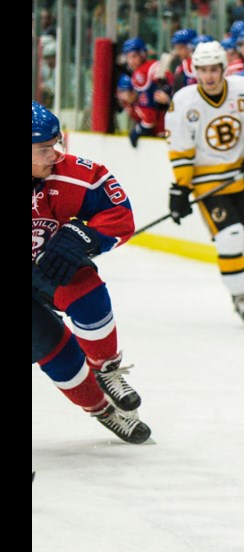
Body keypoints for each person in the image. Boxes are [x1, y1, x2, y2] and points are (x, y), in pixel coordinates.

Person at [32, 101, 152, 444]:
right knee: (54, 350)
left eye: (55, 144)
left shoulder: (71, 173)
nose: (54, 154)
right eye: (43, 149)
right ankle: (102, 410)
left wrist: (86, 235)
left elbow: (118, 213)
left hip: (46, 262)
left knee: (85, 290)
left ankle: (107, 368)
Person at [165, 41, 244, 327]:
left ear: (223, 68)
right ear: (195, 71)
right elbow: (180, 148)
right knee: (231, 236)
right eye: (203, 70)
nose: (209, 76)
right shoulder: (183, 101)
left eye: (214, 69)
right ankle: (239, 296)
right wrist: (180, 188)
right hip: (207, 184)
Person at [122, 37, 173, 148]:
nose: (130, 61)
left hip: (162, 129)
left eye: (134, 56)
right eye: (128, 57)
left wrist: (139, 129)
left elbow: (149, 116)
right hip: (172, 126)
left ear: (143, 54)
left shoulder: (140, 73)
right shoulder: (153, 64)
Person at [169, 28, 198, 92]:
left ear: (191, 47)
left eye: (180, 48)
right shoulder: (178, 65)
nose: (178, 52)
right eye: (176, 48)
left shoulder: (201, 66)